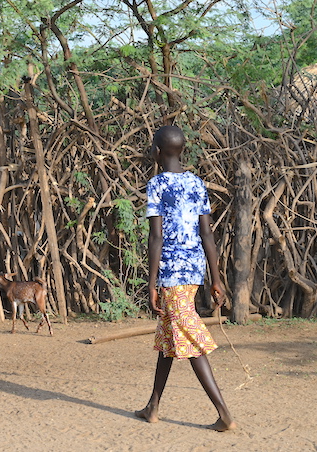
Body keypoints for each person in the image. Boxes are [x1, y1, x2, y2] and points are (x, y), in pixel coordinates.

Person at [135, 125, 236, 432]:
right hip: (194, 270)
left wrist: (151, 284)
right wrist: (216, 279)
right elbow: (208, 234)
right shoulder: (196, 183)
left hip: (170, 272)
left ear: (156, 152)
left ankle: (224, 414)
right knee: (169, 334)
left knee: (190, 339)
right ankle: (152, 407)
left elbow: (156, 238)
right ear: (181, 151)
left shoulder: (156, 185)